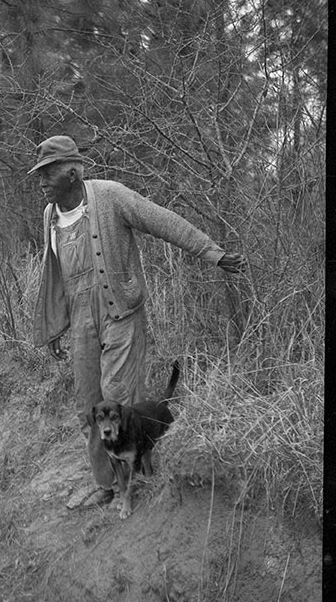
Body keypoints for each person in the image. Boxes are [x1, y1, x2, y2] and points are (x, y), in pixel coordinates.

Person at [29, 135, 245, 505]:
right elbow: (55, 276)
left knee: (117, 400)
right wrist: (54, 325)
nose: (42, 182)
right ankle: (106, 485)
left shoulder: (111, 196)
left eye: (48, 173)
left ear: (71, 172)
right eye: (40, 174)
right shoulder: (50, 215)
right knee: (88, 408)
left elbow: (164, 221)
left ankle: (137, 480)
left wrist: (212, 253)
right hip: (81, 320)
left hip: (120, 314)